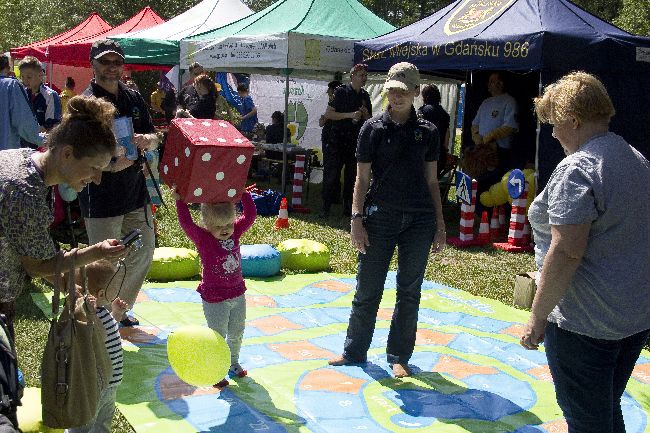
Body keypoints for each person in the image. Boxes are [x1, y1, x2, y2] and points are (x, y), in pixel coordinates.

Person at [521, 71, 650, 433]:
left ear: (573, 120)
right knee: (605, 410)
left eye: (554, 124)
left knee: (587, 422)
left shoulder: (578, 168)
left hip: (586, 323)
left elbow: (566, 252)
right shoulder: (635, 159)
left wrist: (538, 316)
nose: (553, 133)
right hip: (632, 317)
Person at [328, 62, 446, 378]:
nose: (396, 96)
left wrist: (440, 224)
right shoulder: (372, 129)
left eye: (403, 91)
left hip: (420, 221)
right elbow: (361, 179)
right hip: (379, 217)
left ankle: (399, 356)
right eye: (392, 90)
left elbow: (433, 181)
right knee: (368, 287)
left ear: (416, 93)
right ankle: (353, 352)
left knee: (409, 290)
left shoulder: (429, 132)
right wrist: (356, 218)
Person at [0, 95, 128, 335]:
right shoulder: (25, 193)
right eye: (94, 168)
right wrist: (97, 252)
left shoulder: (25, 161)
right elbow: (36, 266)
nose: (97, 179)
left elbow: (29, 248)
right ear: (67, 153)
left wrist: (68, 284)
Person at [77, 39, 159, 327]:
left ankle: (117, 309)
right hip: (101, 196)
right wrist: (110, 165)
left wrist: (149, 140)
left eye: (117, 62)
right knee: (104, 261)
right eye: (105, 61)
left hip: (136, 191)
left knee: (143, 251)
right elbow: (78, 154)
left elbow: (153, 135)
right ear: (93, 64)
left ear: (123, 65)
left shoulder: (134, 97)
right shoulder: (85, 104)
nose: (112, 68)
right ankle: (97, 315)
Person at [173, 188, 257, 386]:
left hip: (237, 294)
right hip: (214, 297)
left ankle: (233, 362)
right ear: (207, 225)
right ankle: (216, 370)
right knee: (217, 336)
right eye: (219, 226)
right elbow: (186, 223)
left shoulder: (235, 233)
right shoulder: (203, 238)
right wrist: (180, 201)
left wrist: (243, 193)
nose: (226, 229)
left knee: (237, 332)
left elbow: (251, 215)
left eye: (228, 223)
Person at [65, 260, 128, 433]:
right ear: (101, 293)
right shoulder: (85, 315)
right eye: (115, 287)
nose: (118, 290)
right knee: (82, 426)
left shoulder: (102, 312)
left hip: (111, 385)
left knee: (102, 424)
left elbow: (107, 333)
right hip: (93, 387)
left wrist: (116, 313)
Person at [321, 64, 372, 217]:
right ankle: (325, 208)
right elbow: (329, 114)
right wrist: (350, 115)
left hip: (354, 143)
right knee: (331, 176)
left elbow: (370, 120)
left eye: (365, 75)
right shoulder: (341, 91)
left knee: (351, 178)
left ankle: (347, 209)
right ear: (352, 76)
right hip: (337, 140)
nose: (364, 78)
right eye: (361, 75)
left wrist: (365, 114)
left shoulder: (365, 95)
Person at [465, 71, 518, 180]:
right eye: (489, 81)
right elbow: (475, 124)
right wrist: (476, 137)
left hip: (500, 152)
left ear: (501, 83)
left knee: (495, 183)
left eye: (492, 81)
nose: (489, 84)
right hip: (482, 150)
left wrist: (490, 136)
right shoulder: (485, 102)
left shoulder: (509, 101)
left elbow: (511, 126)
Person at [0, 54, 43, 150]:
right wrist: (43, 140)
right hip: (6, 155)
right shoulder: (11, 85)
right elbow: (24, 123)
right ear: (8, 68)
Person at [18, 57, 62, 132]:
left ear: (40, 75)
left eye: (29, 77)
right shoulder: (22, 94)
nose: (25, 80)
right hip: (24, 140)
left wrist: (29, 132)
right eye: (22, 77)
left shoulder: (50, 95)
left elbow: (51, 125)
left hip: (43, 141)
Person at [418, 84, 450, 177]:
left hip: (425, 153)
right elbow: (447, 134)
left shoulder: (422, 111)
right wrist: (445, 150)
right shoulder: (444, 114)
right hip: (440, 155)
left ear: (425, 96)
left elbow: (418, 133)